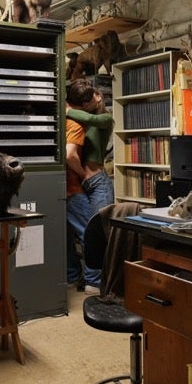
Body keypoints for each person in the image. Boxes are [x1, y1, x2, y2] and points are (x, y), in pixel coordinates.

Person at [65, 85, 113, 290]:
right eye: (83, 102)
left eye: (89, 100)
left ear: (99, 96)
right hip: (85, 182)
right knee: (89, 231)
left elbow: (92, 119)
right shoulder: (81, 119)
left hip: (98, 182)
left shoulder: (104, 118)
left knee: (97, 232)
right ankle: (90, 279)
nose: (86, 105)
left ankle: (95, 283)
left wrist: (65, 109)